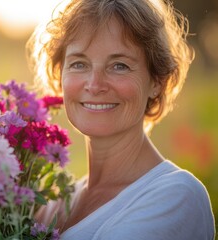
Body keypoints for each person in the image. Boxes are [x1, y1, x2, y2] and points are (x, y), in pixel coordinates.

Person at [26, 0, 216, 239]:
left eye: (119, 66)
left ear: (157, 82)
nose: (95, 85)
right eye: (79, 64)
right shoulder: (53, 203)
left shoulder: (177, 196)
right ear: (60, 74)